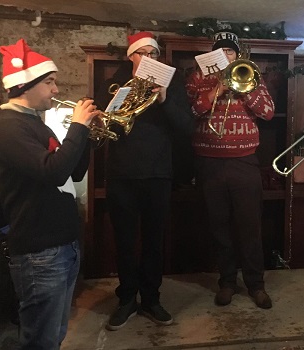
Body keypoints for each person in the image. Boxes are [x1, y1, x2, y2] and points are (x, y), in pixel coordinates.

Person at [0, 38, 99, 349]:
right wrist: (77, 128)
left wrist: (87, 134)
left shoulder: (37, 125)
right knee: (40, 340)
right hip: (40, 253)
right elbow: (52, 170)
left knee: (55, 334)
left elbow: (72, 173)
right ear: (26, 85)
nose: (55, 89)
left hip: (62, 246)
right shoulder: (8, 127)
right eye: (49, 82)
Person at [104, 31, 194, 330]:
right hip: (122, 174)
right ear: (132, 57)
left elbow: (185, 128)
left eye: (154, 54)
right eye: (142, 53)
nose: (149, 58)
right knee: (125, 241)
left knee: (155, 241)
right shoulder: (116, 84)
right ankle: (127, 298)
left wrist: (165, 99)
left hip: (158, 173)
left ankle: (152, 299)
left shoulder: (172, 84)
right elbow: (109, 130)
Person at [185, 32, 275, 309]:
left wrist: (245, 90)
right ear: (212, 57)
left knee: (250, 227)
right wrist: (217, 90)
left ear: (238, 56)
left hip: (244, 162)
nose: (226, 56)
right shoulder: (198, 78)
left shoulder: (252, 78)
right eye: (221, 51)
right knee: (218, 227)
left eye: (231, 52)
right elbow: (192, 110)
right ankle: (226, 282)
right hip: (209, 163)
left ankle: (256, 285)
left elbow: (269, 112)